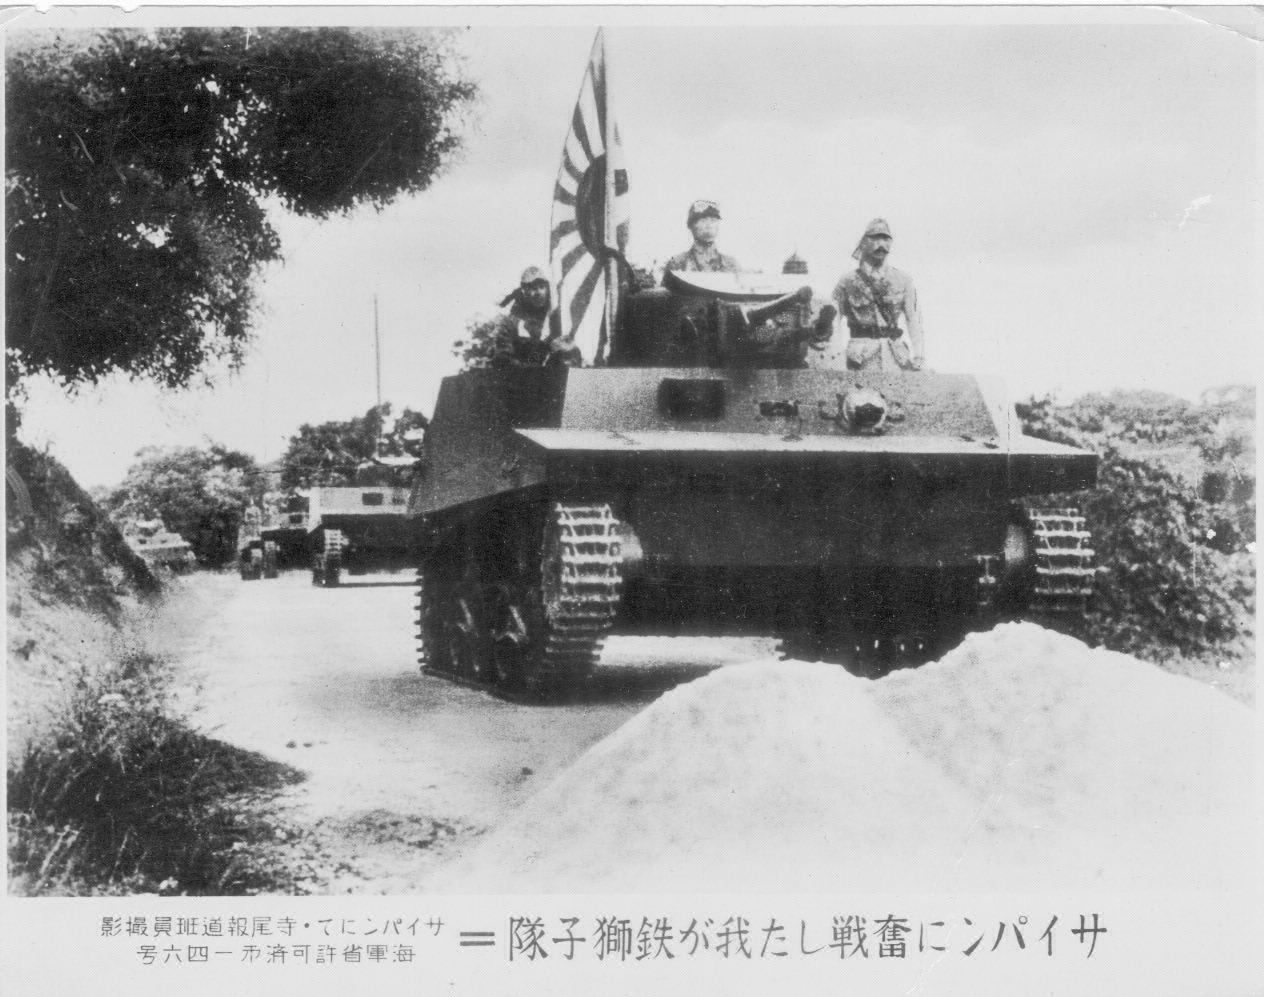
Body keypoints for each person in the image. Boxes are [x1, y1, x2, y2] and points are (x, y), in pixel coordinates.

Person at [831, 219, 925, 372]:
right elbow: (834, 320)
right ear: (864, 243)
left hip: (896, 357)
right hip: (860, 357)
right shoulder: (847, 281)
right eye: (875, 238)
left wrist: (919, 354)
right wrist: (836, 356)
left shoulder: (903, 280)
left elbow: (913, 319)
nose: (881, 244)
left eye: (886, 239)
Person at [488, 266, 580, 368]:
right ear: (524, 291)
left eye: (542, 287)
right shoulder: (509, 323)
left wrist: (561, 349)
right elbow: (502, 361)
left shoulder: (551, 322)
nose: (539, 292)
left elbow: (570, 358)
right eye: (534, 288)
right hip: (517, 375)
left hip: (546, 375)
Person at [662, 199, 740, 279]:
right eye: (703, 220)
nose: (709, 225)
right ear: (691, 225)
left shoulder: (731, 265)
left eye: (713, 220)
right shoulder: (677, 264)